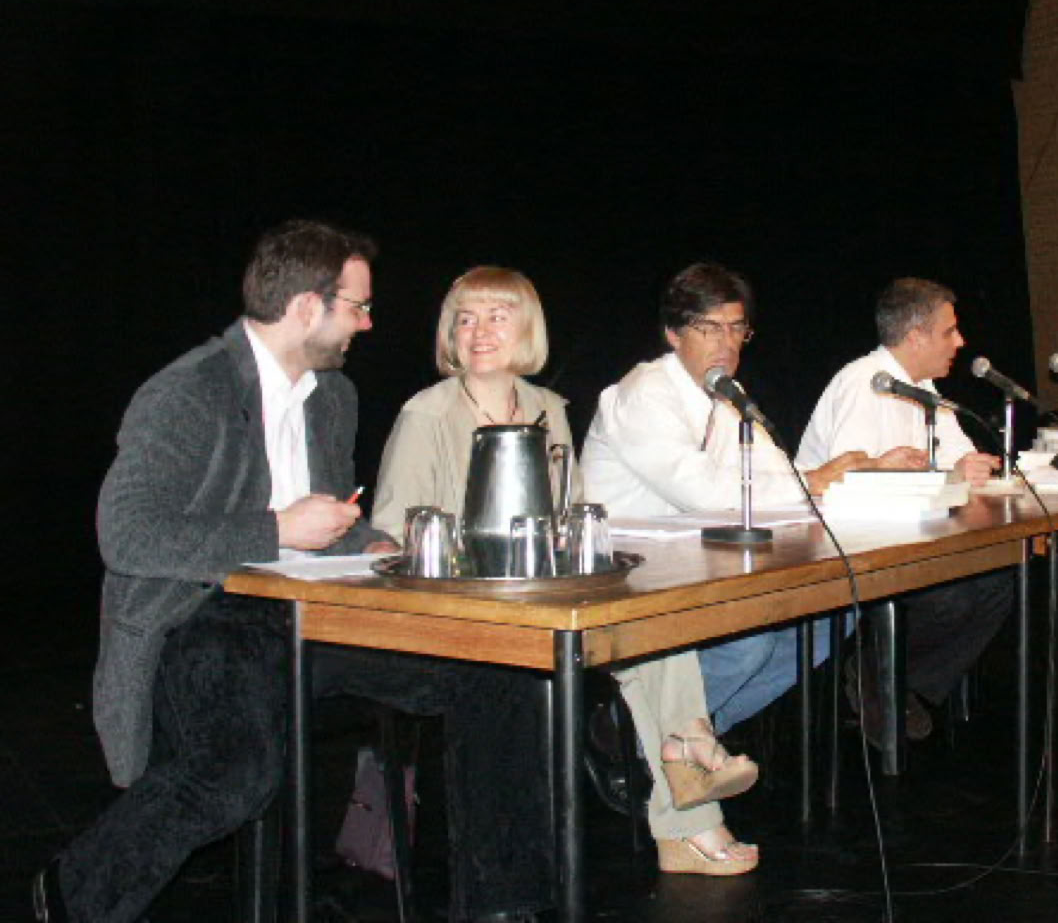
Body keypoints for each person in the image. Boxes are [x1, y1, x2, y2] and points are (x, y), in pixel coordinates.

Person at [34, 222, 550, 923]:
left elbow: (331, 518)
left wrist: (371, 546)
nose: (367, 325)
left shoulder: (332, 397)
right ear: (309, 306)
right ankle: (73, 894)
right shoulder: (189, 391)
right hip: (202, 614)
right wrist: (275, 529)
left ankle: (502, 908)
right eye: (358, 307)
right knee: (235, 770)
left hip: (314, 613)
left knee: (498, 669)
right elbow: (127, 535)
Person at [373, 266, 760, 878]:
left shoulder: (547, 408)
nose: (479, 331)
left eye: (498, 316)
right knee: (644, 651)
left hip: (547, 596)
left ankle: (689, 771)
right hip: (469, 611)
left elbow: (567, 510)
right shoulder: (426, 414)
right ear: (449, 332)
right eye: (466, 318)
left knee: (657, 626)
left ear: (527, 328)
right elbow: (391, 534)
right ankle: (690, 814)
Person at [582, 262, 867, 739]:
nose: (726, 343)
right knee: (746, 645)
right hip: (626, 571)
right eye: (709, 328)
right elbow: (704, 495)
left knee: (830, 618)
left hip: (699, 562)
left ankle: (690, 737)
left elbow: (780, 473)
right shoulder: (644, 393)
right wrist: (815, 481)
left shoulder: (725, 397)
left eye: (736, 329)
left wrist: (848, 478)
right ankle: (622, 735)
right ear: (674, 333)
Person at [796, 277, 1013, 742]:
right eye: (949, 331)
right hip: (842, 548)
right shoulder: (862, 383)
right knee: (951, 595)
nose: (960, 341)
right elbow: (848, 484)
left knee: (997, 582)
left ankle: (894, 682)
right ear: (915, 337)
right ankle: (881, 676)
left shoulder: (925, 388)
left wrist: (965, 469)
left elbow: (958, 462)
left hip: (911, 539)